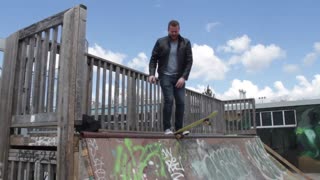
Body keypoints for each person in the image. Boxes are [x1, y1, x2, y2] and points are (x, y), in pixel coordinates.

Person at [149, 20, 193, 135]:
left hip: (179, 77)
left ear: (179, 30)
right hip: (165, 76)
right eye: (172, 31)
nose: (174, 33)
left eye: (176, 31)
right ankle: (167, 128)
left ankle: (179, 129)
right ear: (168, 30)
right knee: (169, 100)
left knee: (181, 102)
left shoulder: (186, 43)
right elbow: (153, 59)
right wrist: (152, 74)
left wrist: (184, 77)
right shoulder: (160, 42)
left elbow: (189, 61)